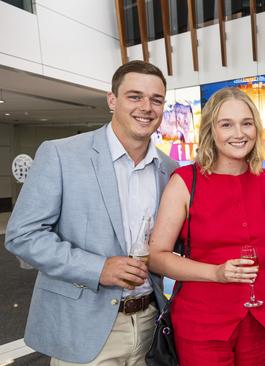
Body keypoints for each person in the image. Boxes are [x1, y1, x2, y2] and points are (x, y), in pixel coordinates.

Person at [4, 60, 177, 365]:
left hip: (151, 324)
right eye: (134, 96)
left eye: (156, 99)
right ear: (112, 100)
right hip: (84, 327)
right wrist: (98, 268)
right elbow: (22, 236)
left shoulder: (170, 170)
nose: (146, 107)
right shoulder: (61, 154)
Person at [148, 87, 265, 365]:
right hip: (202, 324)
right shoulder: (184, 181)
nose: (239, 133)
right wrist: (216, 273)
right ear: (211, 130)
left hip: (259, 322)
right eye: (226, 124)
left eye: (246, 123)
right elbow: (157, 257)